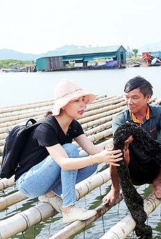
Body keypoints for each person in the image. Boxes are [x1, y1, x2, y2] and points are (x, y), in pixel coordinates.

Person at [15, 79, 123, 224]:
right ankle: (69, 208)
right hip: (29, 182)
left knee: (92, 164)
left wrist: (110, 147)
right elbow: (64, 163)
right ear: (63, 105)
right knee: (71, 150)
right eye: (76, 101)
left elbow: (91, 149)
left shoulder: (73, 125)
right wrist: (97, 158)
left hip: (46, 180)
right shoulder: (46, 127)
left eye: (83, 100)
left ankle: (50, 194)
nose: (83, 105)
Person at [102, 76, 161, 205]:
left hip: (154, 165)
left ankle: (158, 182)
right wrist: (125, 142)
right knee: (115, 150)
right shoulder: (120, 118)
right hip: (131, 167)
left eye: (135, 97)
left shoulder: (160, 112)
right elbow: (119, 142)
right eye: (127, 97)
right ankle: (115, 189)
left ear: (147, 97)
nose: (129, 102)